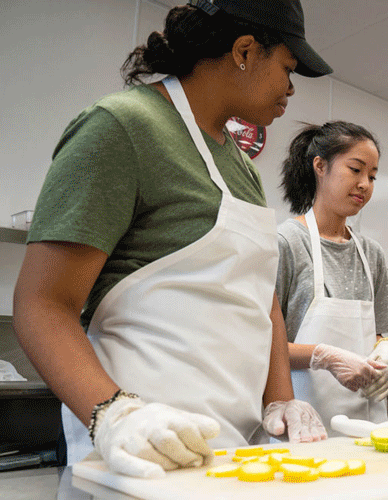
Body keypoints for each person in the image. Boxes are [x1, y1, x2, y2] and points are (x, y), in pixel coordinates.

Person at [12, 0, 331, 479]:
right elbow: (42, 304)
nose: (290, 89)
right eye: (287, 69)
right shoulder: (122, 127)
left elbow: (260, 302)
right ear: (244, 50)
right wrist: (117, 415)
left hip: (233, 455)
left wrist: (282, 399)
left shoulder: (244, 170)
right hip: (140, 456)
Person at [276, 121, 388, 424]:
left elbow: (380, 334)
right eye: (355, 170)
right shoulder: (287, 242)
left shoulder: (372, 254)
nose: (365, 184)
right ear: (320, 166)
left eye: (372, 176)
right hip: (302, 421)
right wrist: (324, 356)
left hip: (367, 424)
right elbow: (262, 343)